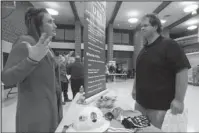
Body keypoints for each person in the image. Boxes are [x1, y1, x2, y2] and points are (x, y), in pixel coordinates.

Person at [2, 7, 63, 132]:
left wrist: (59, 63)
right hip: (34, 121)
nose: (55, 25)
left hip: (51, 113)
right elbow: (6, 78)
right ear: (38, 25)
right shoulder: (26, 43)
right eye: (50, 22)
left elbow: (45, 74)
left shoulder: (46, 49)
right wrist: (31, 61)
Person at [132, 14, 191, 129]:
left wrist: (179, 100)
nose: (142, 28)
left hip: (159, 107)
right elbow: (138, 72)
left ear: (155, 27)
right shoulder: (143, 50)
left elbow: (182, 70)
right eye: (141, 26)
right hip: (140, 104)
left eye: (145, 25)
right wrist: (134, 88)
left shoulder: (169, 45)